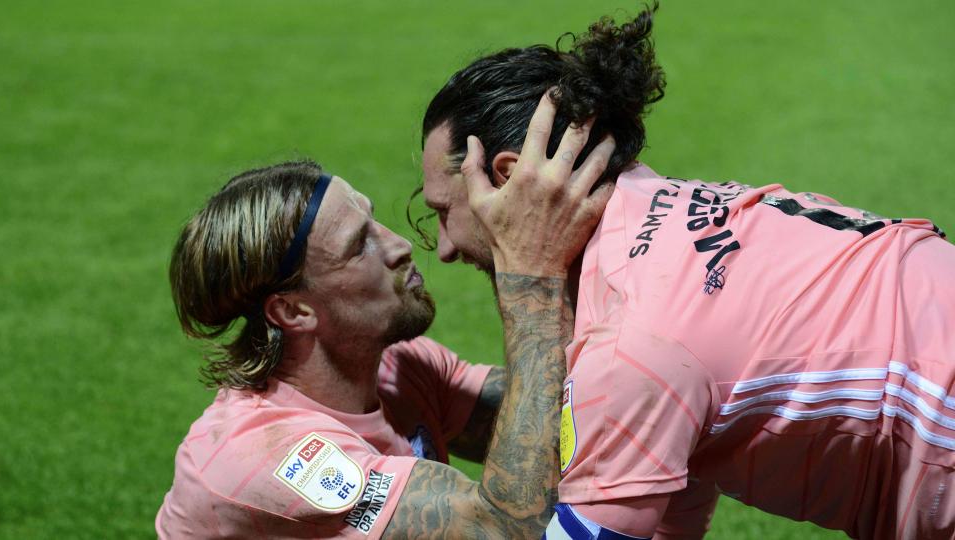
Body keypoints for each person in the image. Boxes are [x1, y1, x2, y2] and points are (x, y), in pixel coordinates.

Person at [417, 6, 955, 540]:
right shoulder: (652, 210)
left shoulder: (628, 345)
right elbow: (669, 473)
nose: (442, 248)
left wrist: (529, 288)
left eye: (444, 212)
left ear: (510, 179)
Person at [156, 158, 611, 538]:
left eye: (373, 220)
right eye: (359, 245)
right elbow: (508, 529)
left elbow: (570, 420)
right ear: (294, 311)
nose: (399, 245)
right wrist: (532, 276)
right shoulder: (271, 456)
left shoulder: (397, 366)